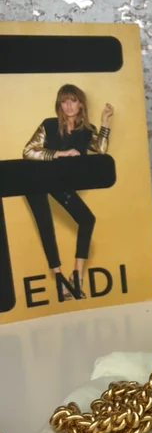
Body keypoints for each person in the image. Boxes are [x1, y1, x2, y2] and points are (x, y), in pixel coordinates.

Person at [23, 84, 114, 299]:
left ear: (80, 104)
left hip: (60, 182)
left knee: (87, 219)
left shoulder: (86, 130)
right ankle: (60, 281)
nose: (69, 106)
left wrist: (104, 122)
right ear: (59, 105)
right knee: (45, 224)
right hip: (35, 179)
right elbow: (28, 151)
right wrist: (61, 154)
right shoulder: (49, 125)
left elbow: (101, 149)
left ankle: (76, 276)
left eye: (73, 100)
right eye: (64, 101)